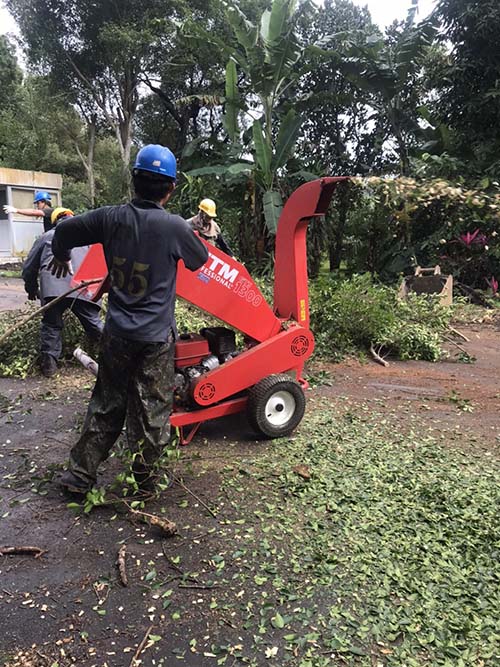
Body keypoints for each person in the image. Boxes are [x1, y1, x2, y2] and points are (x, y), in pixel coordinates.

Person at [48, 144, 209, 496]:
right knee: (152, 411)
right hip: (155, 339)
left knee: (107, 403)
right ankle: (144, 481)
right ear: (171, 188)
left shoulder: (109, 217)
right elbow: (200, 261)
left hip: (117, 333)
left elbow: (63, 232)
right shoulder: (174, 228)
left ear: (134, 180)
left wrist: (61, 255)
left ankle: (79, 477)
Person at [22, 207, 104, 378]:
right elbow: (100, 263)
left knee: (51, 325)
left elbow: (29, 267)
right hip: (83, 287)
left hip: (53, 290)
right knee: (95, 325)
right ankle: (119, 356)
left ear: (54, 221)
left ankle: (49, 367)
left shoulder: (45, 237)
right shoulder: (88, 237)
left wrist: (32, 289)